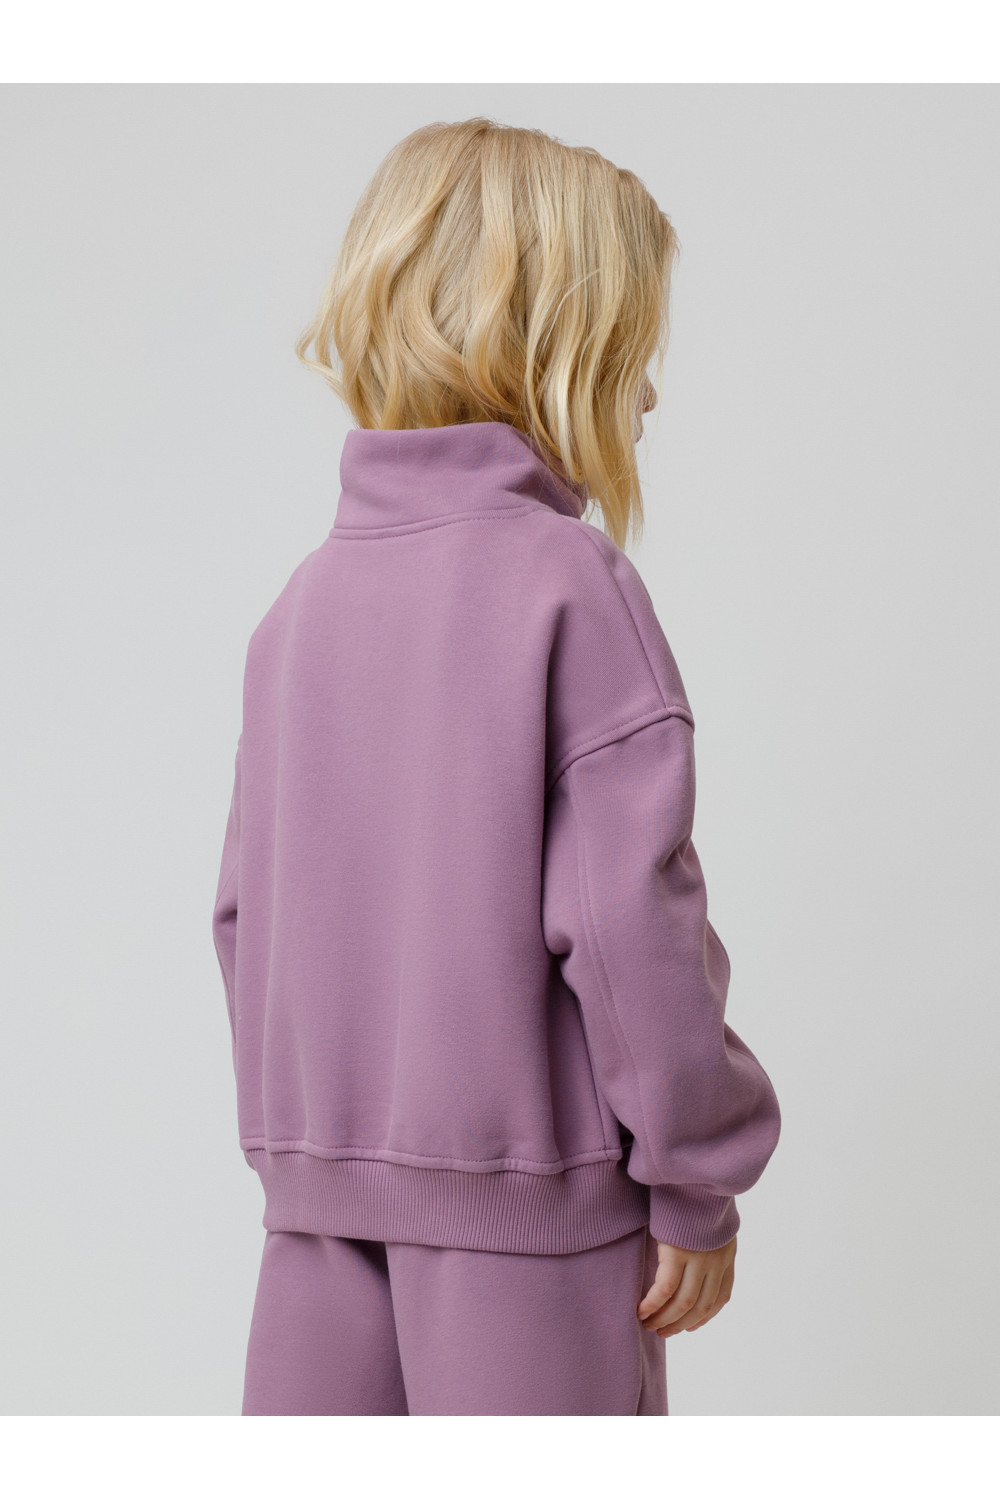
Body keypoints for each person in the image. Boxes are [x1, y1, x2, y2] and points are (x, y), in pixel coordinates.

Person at [211, 116, 782, 1417]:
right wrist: (698, 1169)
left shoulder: (299, 608)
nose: (648, 398)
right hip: (531, 1235)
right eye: (632, 354)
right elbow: (631, 923)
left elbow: (243, 923)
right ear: (555, 351)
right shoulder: (569, 586)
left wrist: (322, 1148)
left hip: (315, 1225)